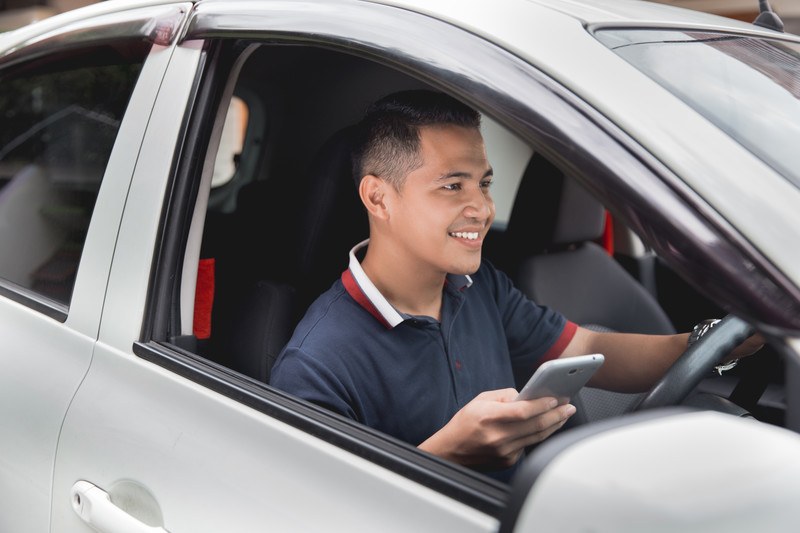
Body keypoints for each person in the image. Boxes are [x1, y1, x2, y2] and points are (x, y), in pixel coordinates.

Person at [270, 90, 761, 475]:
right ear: (378, 198)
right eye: (452, 185)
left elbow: (588, 347)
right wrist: (449, 455)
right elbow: (328, 511)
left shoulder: (479, 286)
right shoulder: (315, 364)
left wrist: (716, 342)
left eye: (483, 183)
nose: (483, 208)